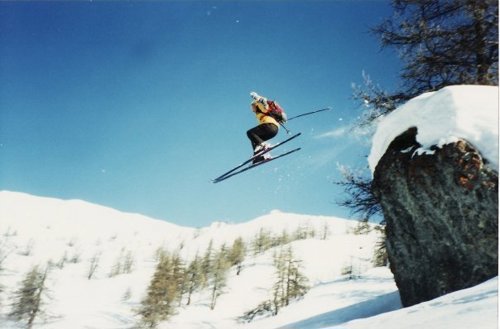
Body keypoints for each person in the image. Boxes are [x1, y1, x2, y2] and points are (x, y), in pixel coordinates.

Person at [246, 91, 280, 164]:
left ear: (255, 105)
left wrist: (257, 97)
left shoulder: (260, 107)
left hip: (270, 126)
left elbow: (264, 103)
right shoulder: (259, 113)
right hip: (273, 130)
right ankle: (258, 157)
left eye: (252, 106)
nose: (252, 109)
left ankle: (264, 145)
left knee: (250, 133)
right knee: (254, 140)